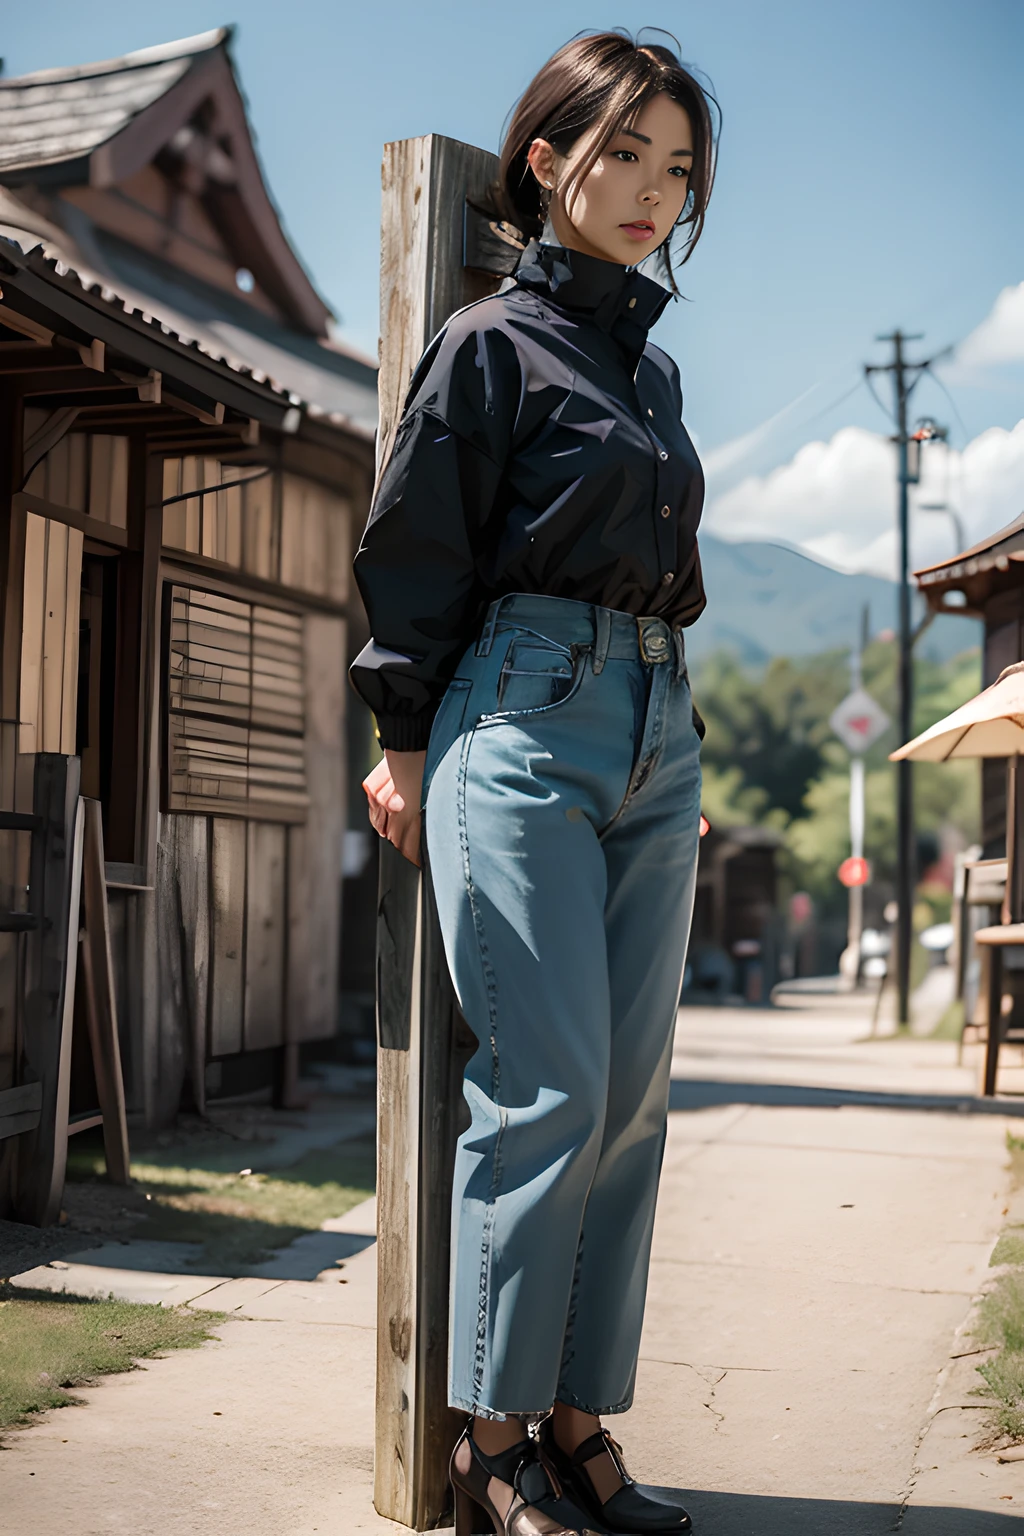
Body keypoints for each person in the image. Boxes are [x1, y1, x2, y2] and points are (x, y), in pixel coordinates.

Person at [351, 30, 717, 1536]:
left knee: (633, 1104)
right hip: (521, 715)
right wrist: (400, 733)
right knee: (548, 1083)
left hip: (661, 721)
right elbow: (415, 544)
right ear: (549, 157)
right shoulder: (490, 343)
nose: (652, 190)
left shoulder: (656, 365)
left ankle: (576, 1422)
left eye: (679, 167)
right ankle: (488, 1440)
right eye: (624, 152)